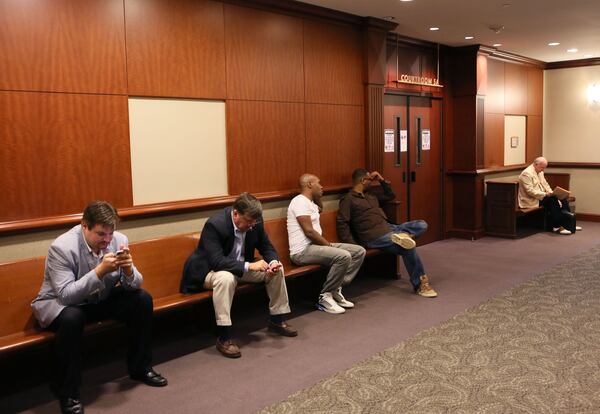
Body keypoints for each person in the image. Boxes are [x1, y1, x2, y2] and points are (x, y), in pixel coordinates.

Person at [31, 201, 167, 414]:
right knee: (72, 318)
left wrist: (129, 271)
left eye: (110, 233)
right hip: (60, 305)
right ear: (84, 226)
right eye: (101, 234)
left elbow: (133, 285)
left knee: (141, 300)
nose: (107, 240)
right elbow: (66, 296)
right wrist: (99, 272)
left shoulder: (119, 240)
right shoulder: (62, 247)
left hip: (97, 299)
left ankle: (141, 368)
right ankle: (69, 393)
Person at [180, 193, 296, 359]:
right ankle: (224, 337)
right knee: (226, 278)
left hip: (239, 269)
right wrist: (249, 265)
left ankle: (277, 319)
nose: (251, 225)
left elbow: (267, 247)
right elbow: (217, 261)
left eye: (254, 221)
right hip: (208, 272)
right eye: (248, 221)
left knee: (278, 270)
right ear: (235, 213)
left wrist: (273, 263)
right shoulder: (215, 224)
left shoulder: (255, 222)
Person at [337, 169, 438, 298]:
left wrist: (381, 180)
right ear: (363, 180)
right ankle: (420, 285)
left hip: (391, 228)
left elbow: (391, 195)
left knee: (421, 224)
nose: (372, 181)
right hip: (374, 236)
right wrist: (353, 246)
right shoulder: (348, 200)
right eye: (370, 179)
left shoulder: (370, 195)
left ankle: (403, 237)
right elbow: (342, 223)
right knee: (408, 247)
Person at [287, 174, 366, 314]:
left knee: (359, 251)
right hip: (302, 252)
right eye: (319, 183)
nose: (322, 186)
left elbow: (318, 209)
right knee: (344, 256)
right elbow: (309, 232)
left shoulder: (310, 202)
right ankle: (325, 296)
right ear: (310, 184)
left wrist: (318, 198)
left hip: (316, 247)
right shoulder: (299, 201)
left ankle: (335, 287)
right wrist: (328, 246)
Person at [518, 156, 581, 235]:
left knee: (561, 198)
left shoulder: (539, 171)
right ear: (536, 164)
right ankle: (557, 226)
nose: (543, 170)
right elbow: (530, 191)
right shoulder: (526, 173)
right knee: (552, 199)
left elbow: (545, 185)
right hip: (531, 200)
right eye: (542, 167)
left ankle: (569, 224)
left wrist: (553, 193)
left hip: (541, 197)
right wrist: (546, 194)